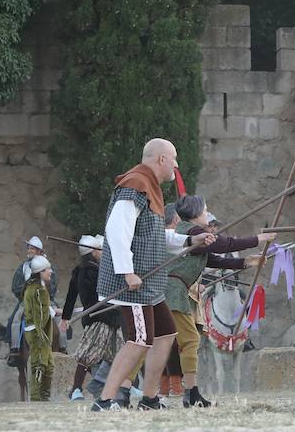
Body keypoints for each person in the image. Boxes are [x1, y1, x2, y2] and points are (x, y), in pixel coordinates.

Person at [94, 138, 217, 412]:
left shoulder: (149, 187)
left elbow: (152, 236)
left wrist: (188, 242)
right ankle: (104, 401)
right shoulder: (135, 184)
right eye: (173, 159)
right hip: (132, 282)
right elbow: (117, 231)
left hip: (147, 283)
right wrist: (127, 272)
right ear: (161, 159)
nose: (176, 165)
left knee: (166, 332)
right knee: (139, 339)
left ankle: (149, 399)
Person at [168, 194, 273, 407]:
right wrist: (258, 239)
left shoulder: (195, 233)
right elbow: (225, 245)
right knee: (183, 341)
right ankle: (183, 393)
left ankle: (190, 392)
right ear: (196, 214)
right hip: (176, 290)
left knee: (183, 341)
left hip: (180, 289)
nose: (207, 214)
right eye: (205, 210)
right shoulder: (193, 231)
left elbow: (215, 259)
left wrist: (245, 262)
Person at [59, 235, 121, 402]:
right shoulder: (92, 271)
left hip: (107, 316)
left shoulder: (83, 270)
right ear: (94, 252)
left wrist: (65, 317)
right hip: (99, 317)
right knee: (87, 354)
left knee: (116, 354)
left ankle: (115, 386)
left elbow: (70, 298)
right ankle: (76, 389)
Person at [7, 236, 55, 365]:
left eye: (32, 248)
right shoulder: (22, 267)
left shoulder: (47, 266)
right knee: (14, 320)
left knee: (61, 319)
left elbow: (53, 284)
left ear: (39, 251)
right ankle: (15, 350)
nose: (29, 250)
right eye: (28, 248)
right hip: (26, 300)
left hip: (46, 299)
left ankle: (62, 347)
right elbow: (16, 286)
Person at [22, 255, 55, 401]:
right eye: (48, 269)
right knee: (39, 365)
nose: (51, 271)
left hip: (37, 331)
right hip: (38, 332)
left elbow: (43, 309)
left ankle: (44, 397)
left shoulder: (36, 287)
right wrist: (42, 335)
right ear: (40, 271)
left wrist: (53, 311)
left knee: (48, 365)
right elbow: (39, 315)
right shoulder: (38, 290)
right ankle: (37, 398)